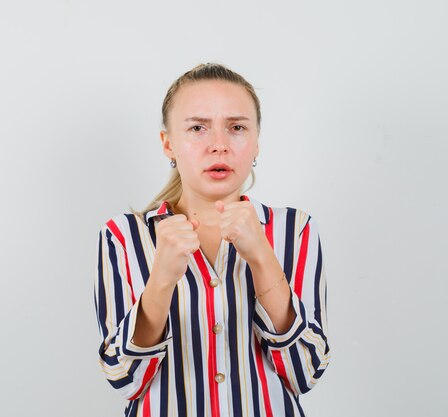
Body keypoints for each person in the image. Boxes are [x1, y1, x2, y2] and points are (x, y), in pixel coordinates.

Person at [94, 63, 329, 417]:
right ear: (168, 144)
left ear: (256, 143)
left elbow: (304, 373)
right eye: (197, 128)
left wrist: (262, 258)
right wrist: (160, 281)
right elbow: (125, 379)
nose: (218, 145)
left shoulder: (294, 230)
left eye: (236, 127)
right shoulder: (124, 236)